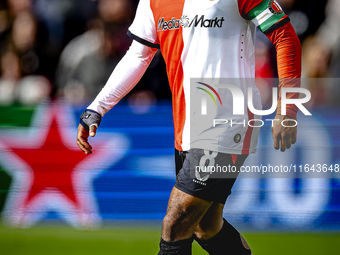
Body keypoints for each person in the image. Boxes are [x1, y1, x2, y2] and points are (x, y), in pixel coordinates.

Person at [77, 0, 301, 254]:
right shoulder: (151, 2)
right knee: (205, 226)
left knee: (176, 222)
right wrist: (97, 107)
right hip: (187, 127)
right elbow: (138, 56)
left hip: (229, 120)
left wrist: (288, 107)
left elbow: (285, 36)